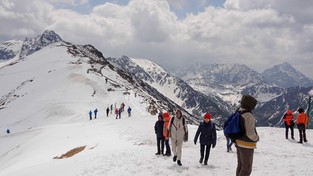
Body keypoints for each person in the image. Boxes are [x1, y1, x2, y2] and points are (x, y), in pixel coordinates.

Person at [235, 95, 259, 176]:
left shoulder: (239, 111)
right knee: (246, 169)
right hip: (246, 144)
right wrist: (257, 138)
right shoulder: (248, 115)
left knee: (240, 166)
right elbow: (250, 134)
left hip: (238, 142)